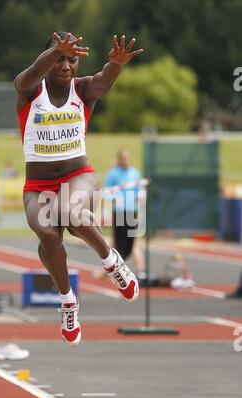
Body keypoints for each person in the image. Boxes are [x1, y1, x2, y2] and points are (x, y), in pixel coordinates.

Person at [14, 31, 144, 346]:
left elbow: (103, 80)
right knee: (48, 235)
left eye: (72, 59)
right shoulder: (30, 91)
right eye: (59, 58)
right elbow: (29, 75)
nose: (66, 65)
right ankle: (68, 302)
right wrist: (53, 52)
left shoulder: (82, 90)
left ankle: (112, 261)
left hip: (78, 175)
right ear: (46, 59)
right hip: (38, 184)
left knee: (70, 213)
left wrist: (115, 65)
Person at [101, 150, 145, 282]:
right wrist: (115, 198)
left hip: (132, 211)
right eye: (124, 158)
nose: (126, 160)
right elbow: (106, 191)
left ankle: (140, 271)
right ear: (119, 159)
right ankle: (113, 271)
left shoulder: (135, 173)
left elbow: (140, 190)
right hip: (119, 212)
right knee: (118, 243)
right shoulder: (113, 174)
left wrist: (141, 197)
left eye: (128, 158)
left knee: (133, 241)